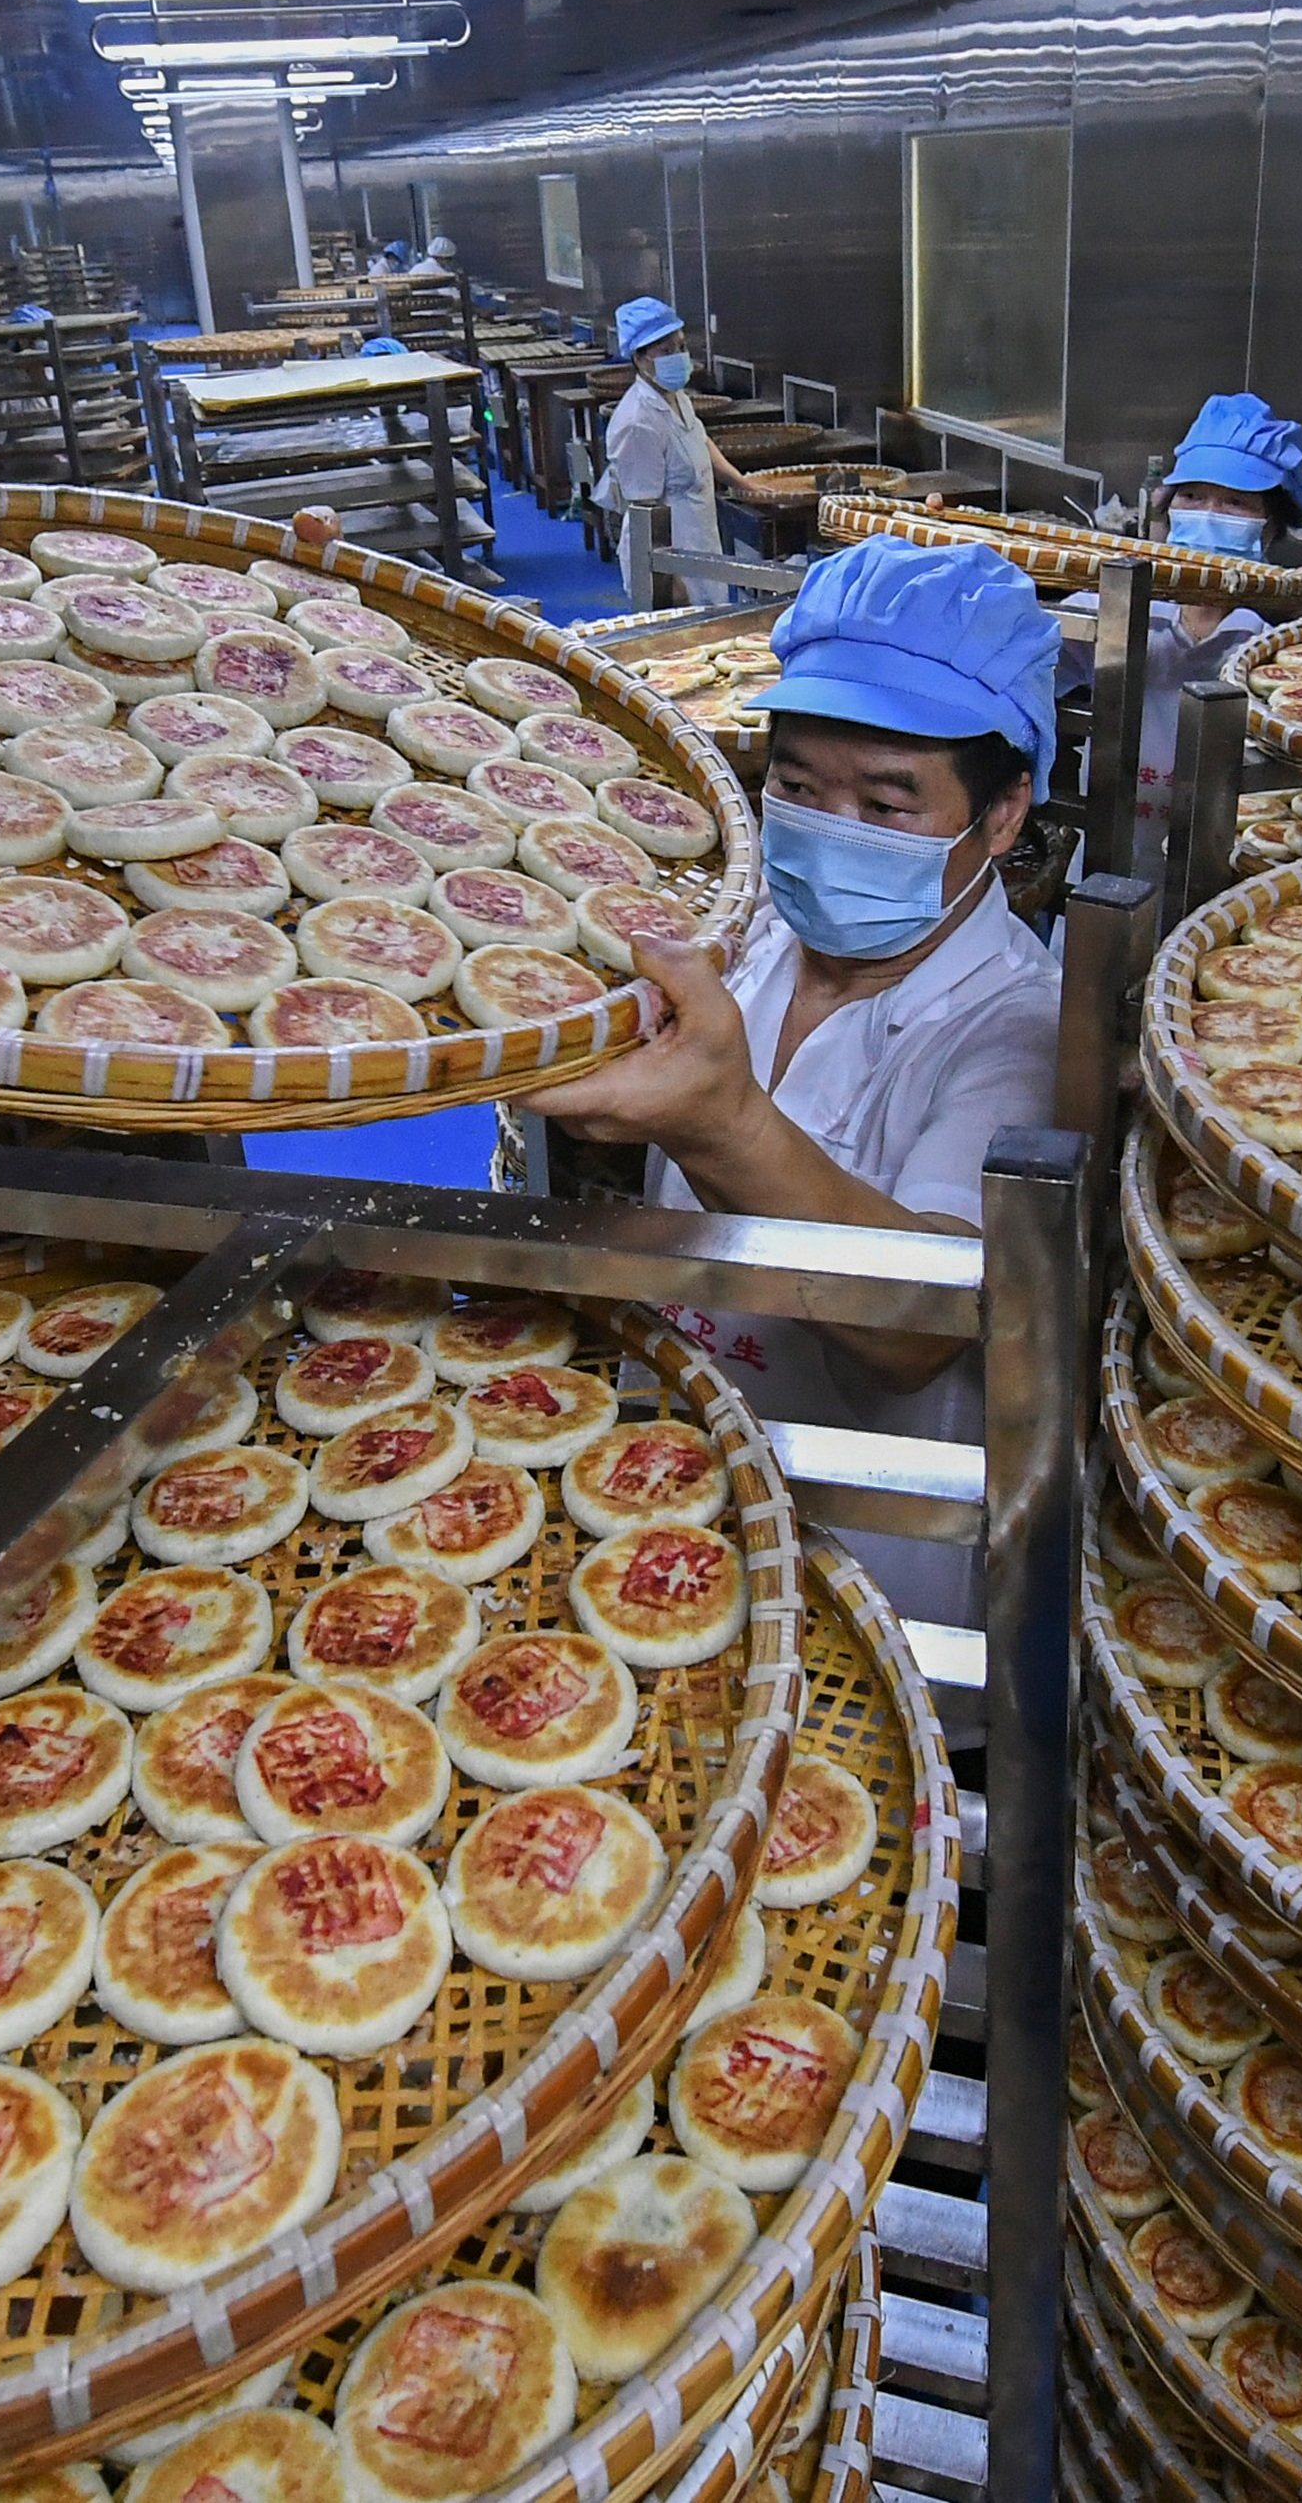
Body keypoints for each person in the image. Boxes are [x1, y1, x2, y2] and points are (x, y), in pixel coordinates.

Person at [526, 536, 1063, 1618]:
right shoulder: (753, 935)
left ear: (1001, 815)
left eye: (887, 803)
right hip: (677, 1478)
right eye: (799, 787)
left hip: (875, 1548)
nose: (829, 831)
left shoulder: (1016, 1024)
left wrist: (718, 1121)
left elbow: (919, 1327)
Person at [1063, 389, 1302, 830]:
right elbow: (1027, 656)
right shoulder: (1125, 604)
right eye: (1193, 496)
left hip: (1233, 851)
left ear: (1270, 526)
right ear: (1169, 507)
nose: (1209, 514)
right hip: (1114, 850)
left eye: (1235, 501)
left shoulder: (1281, 635)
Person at [591, 295, 725, 608]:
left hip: (698, 541)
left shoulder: (676, 397)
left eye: (680, 347)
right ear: (639, 358)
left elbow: (700, 442)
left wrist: (747, 485)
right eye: (665, 351)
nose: (678, 356)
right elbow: (643, 510)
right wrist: (667, 580)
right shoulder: (637, 421)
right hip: (667, 556)